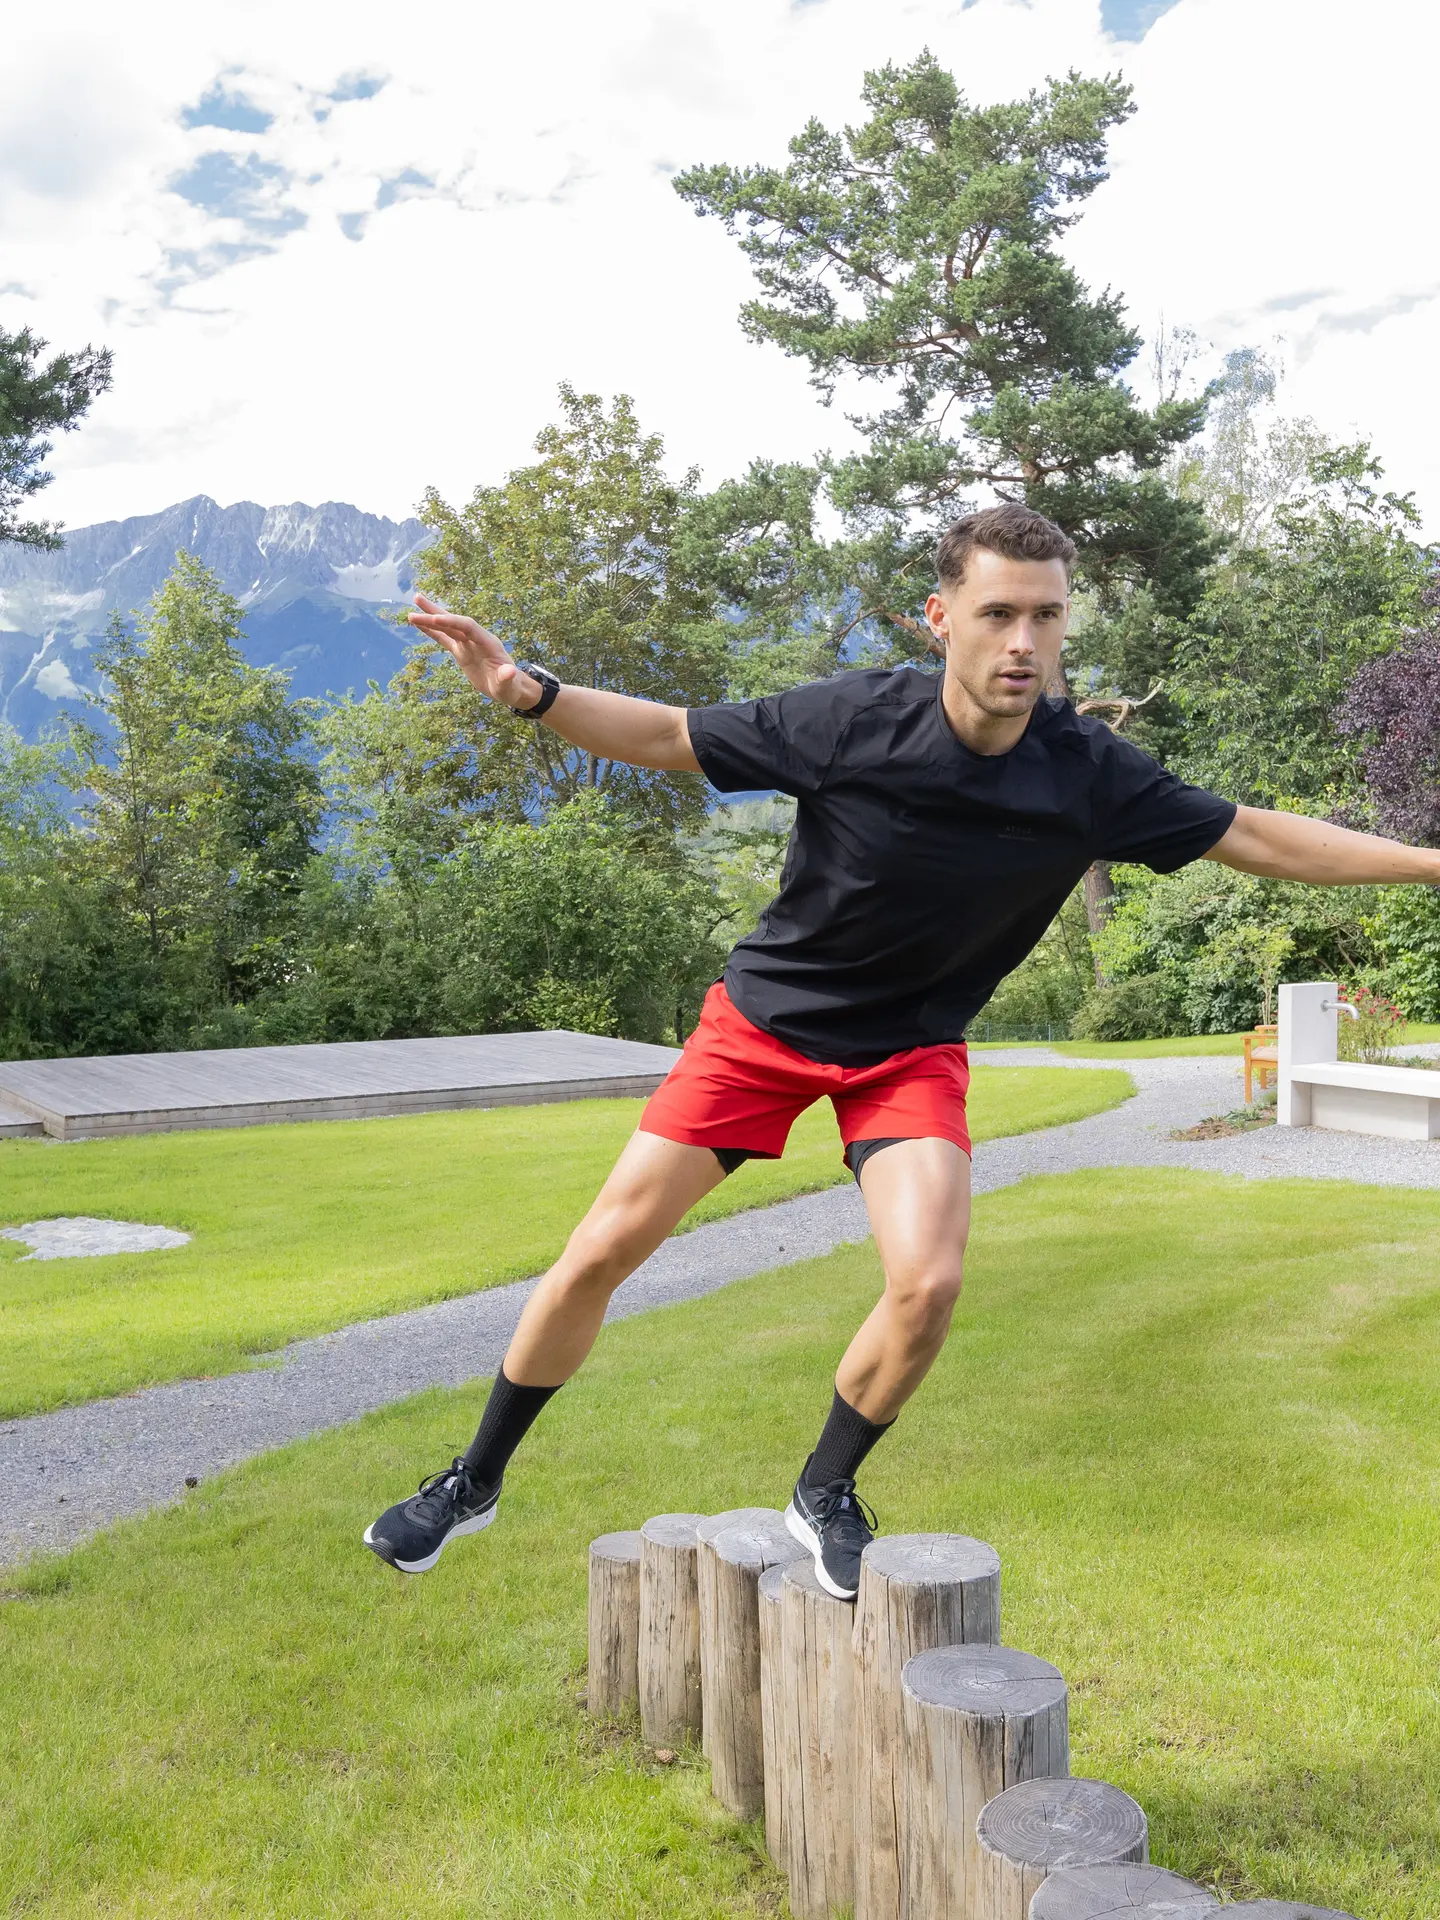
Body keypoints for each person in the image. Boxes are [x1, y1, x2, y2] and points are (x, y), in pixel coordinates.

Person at [364, 503, 1440, 1596]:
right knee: (600, 1252)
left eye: (1046, 617)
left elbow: (1261, 837)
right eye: (998, 614)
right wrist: (527, 693)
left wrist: (1434, 865)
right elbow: (669, 737)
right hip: (766, 1028)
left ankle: (822, 1487)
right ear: (942, 618)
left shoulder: (1088, 772)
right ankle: (472, 1481)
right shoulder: (853, 719)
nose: (1022, 642)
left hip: (908, 1050)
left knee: (926, 1284)